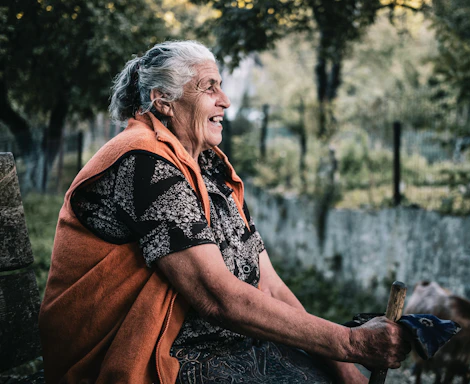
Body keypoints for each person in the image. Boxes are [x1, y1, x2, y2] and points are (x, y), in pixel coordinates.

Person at [38, 40, 411, 384]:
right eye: (209, 87)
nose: (226, 101)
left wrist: (346, 367)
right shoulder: (143, 163)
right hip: (150, 356)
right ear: (163, 101)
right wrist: (350, 343)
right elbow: (216, 298)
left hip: (224, 345)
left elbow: (269, 285)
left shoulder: (210, 169)